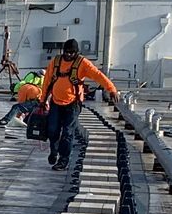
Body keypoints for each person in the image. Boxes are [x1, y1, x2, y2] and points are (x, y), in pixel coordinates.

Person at [39, 38, 118, 169]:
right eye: (67, 52)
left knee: (68, 133)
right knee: (52, 130)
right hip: (56, 102)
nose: (69, 55)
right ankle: (54, 150)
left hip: (73, 104)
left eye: (72, 52)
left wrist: (111, 89)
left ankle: (63, 160)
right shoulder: (56, 61)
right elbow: (47, 81)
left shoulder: (82, 63)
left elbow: (98, 75)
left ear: (76, 53)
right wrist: (42, 100)